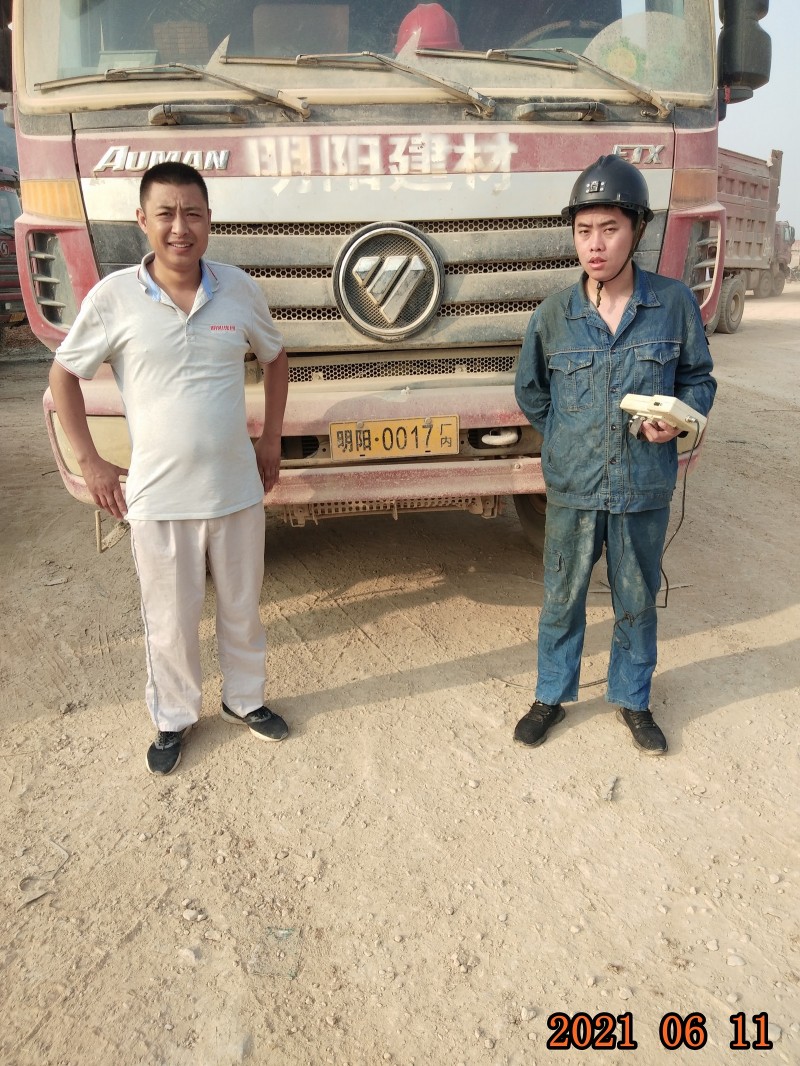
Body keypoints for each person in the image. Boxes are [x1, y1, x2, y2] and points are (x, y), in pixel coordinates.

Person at [49, 161, 290, 775]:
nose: (180, 227)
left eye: (192, 214)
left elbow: (276, 358)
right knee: (171, 620)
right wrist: (90, 461)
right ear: (143, 221)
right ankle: (174, 717)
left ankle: (245, 700)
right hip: (158, 496)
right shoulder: (115, 298)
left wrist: (271, 440)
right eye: (166, 214)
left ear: (209, 220)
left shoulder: (239, 289)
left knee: (242, 606)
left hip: (236, 488)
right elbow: (64, 375)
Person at [513, 154, 716, 755]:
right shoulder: (554, 315)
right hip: (574, 486)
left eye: (609, 229)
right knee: (562, 597)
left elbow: (698, 379)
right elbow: (532, 391)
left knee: (636, 597)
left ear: (637, 230)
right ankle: (550, 695)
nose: (595, 245)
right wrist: (567, 437)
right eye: (584, 230)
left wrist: (676, 423)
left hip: (642, 484)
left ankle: (633, 698)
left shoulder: (672, 305)